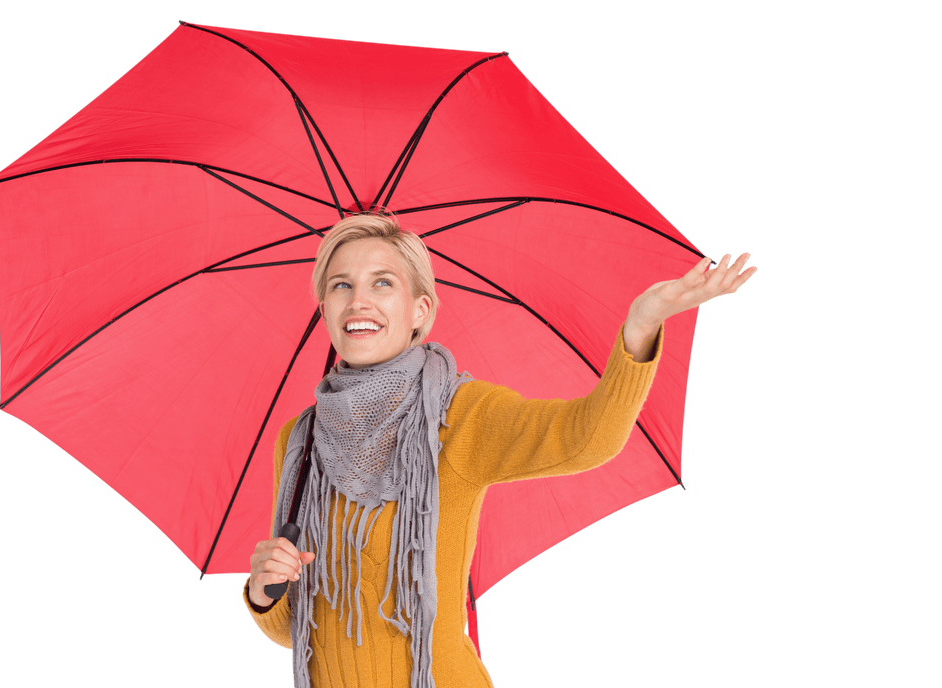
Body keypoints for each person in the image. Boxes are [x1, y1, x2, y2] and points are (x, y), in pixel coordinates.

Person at [241, 210, 756, 688]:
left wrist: (641, 326)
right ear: (326, 307)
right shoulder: (300, 441)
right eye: (341, 286)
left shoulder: (459, 413)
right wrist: (265, 591)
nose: (359, 301)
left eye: (382, 282)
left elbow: (587, 437)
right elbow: (303, 629)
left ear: (420, 310)